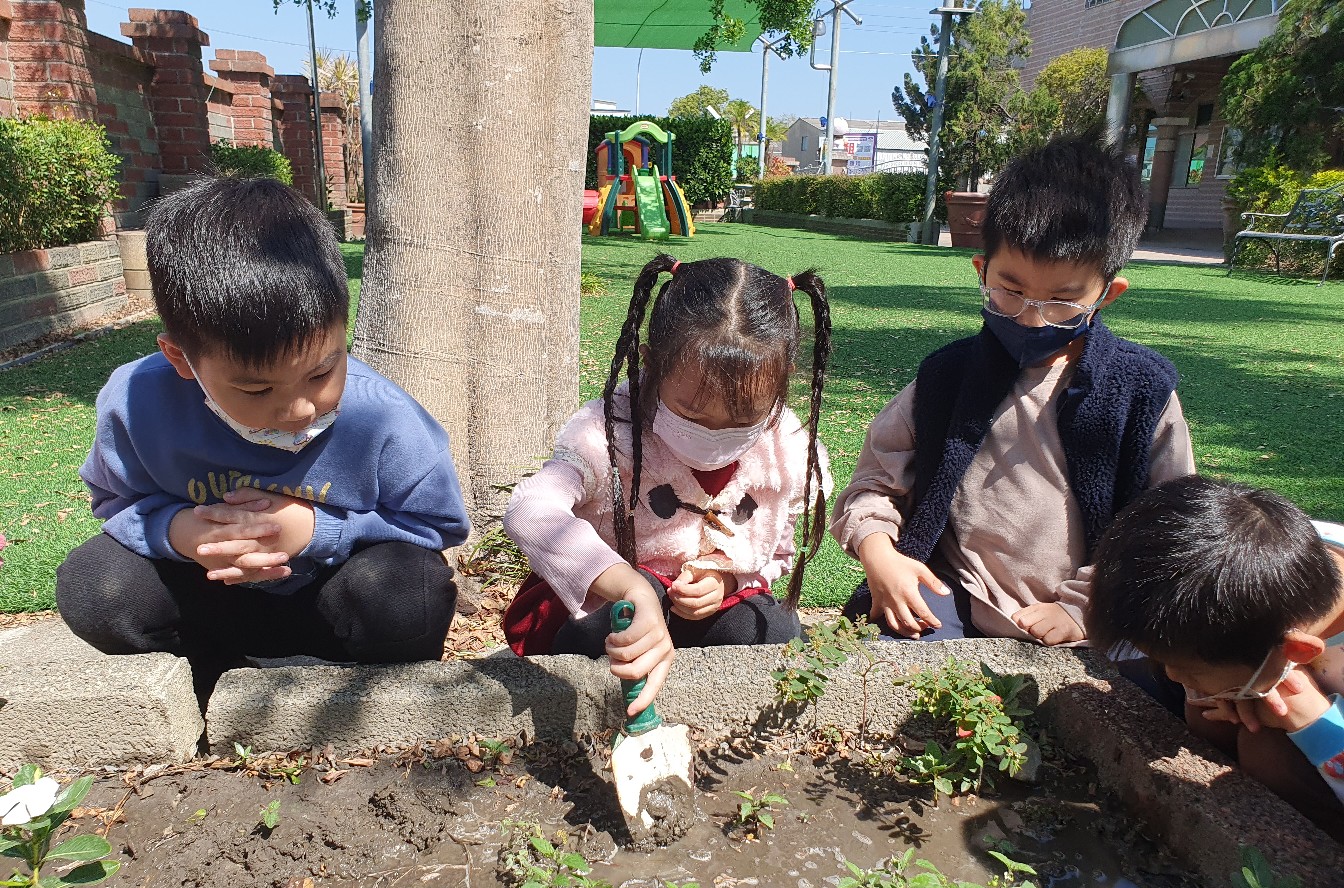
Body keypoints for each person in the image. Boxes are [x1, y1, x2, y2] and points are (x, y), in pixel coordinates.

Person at [56, 177, 469, 696]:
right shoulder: (136, 401)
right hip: (208, 595)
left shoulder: (384, 415)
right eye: (256, 388)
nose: (299, 409)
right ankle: (207, 678)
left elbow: (438, 525)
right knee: (94, 586)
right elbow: (115, 502)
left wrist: (315, 529)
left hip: (331, 599)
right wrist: (180, 533)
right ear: (181, 359)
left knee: (410, 594)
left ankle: (344, 686)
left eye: (322, 373)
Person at [830, 136, 1194, 645]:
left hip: (1092, 615)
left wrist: (1084, 606)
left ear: (1107, 294)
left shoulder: (1141, 391)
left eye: (1063, 301)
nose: (1031, 318)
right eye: (1011, 291)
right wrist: (879, 553)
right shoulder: (945, 377)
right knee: (880, 659)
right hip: (954, 596)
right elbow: (874, 484)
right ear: (982, 271)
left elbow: (1168, 526)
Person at [502, 254, 832, 713]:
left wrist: (729, 579)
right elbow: (529, 510)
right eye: (691, 413)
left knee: (775, 630)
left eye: (743, 417)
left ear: (781, 383)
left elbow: (776, 552)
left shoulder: (786, 449)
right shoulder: (608, 431)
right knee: (635, 602)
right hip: (601, 611)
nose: (714, 435)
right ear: (651, 364)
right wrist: (630, 587)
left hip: (700, 614)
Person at [1089, 475, 1344, 840]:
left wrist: (1313, 721)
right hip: (1256, 668)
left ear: (1297, 650)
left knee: (1267, 754)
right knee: (1201, 711)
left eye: (1187, 669)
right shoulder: (1257, 562)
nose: (1173, 674)